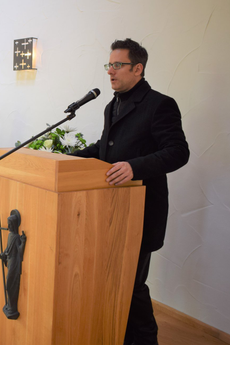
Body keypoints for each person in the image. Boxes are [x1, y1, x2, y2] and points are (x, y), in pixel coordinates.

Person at [70, 38, 190, 344]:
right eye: (109, 65)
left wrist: (135, 167)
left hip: (141, 212)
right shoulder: (112, 105)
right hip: (110, 210)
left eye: (117, 65)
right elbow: (105, 148)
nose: (110, 71)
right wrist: (67, 158)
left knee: (132, 286)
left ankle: (146, 340)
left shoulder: (160, 104)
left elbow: (178, 152)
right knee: (115, 282)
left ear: (138, 69)